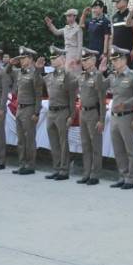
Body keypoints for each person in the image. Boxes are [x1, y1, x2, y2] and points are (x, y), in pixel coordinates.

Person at [107, 46, 133, 189]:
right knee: (118, 149)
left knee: (130, 149)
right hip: (114, 117)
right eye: (112, 60)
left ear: (123, 60)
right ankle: (123, 175)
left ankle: (131, 178)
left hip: (127, 116)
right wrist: (101, 71)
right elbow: (100, 87)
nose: (114, 63)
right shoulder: (113, 76)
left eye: (116, 60)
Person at [43, 46, 78, 180]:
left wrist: (71, 115)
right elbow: (38, 83)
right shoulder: (49, 76)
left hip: (63, 111)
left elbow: (72, 98)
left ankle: (64, 170)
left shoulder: (68, 75)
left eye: (55, 58)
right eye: (51, 58)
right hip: (51, 112)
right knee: (53, 142)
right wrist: (38, 69)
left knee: (63, 143)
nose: (52, 60)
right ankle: (56, 168)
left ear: (62, 59)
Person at [76, 48, 107, 186]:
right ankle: (86, 173)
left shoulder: (98, 76)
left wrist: (101, 120)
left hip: (94, 113)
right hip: (83, 112)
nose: (83, 62)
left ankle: (95, 174)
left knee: (95, 145)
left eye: (86, 60)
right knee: (85, 144)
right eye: (83, 60)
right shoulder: (82, 76)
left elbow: (102, 100)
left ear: (93, 61)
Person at [12, 46, 43, 176]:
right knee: (20, 139)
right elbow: (7, 73)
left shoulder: (35, 73)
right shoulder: (20, 72)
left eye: (23, 58)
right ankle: (22, 164)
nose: (21, 61)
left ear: (30, 59)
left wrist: (36, 112)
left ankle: (30, 165)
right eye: (20, 58)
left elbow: (38, 95)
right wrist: (10, 64)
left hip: (29, 108)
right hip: (20, 108)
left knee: (29, 139)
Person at [111, 0, 133, 67]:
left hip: (127, 50)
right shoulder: (114, 17)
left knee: (127, 71)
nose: (116, 3)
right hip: (115, 50)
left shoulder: (131, 15)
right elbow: (113, 34)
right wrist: (111, 47)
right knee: (116, 70)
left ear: (125, 1)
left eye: (118, 1)